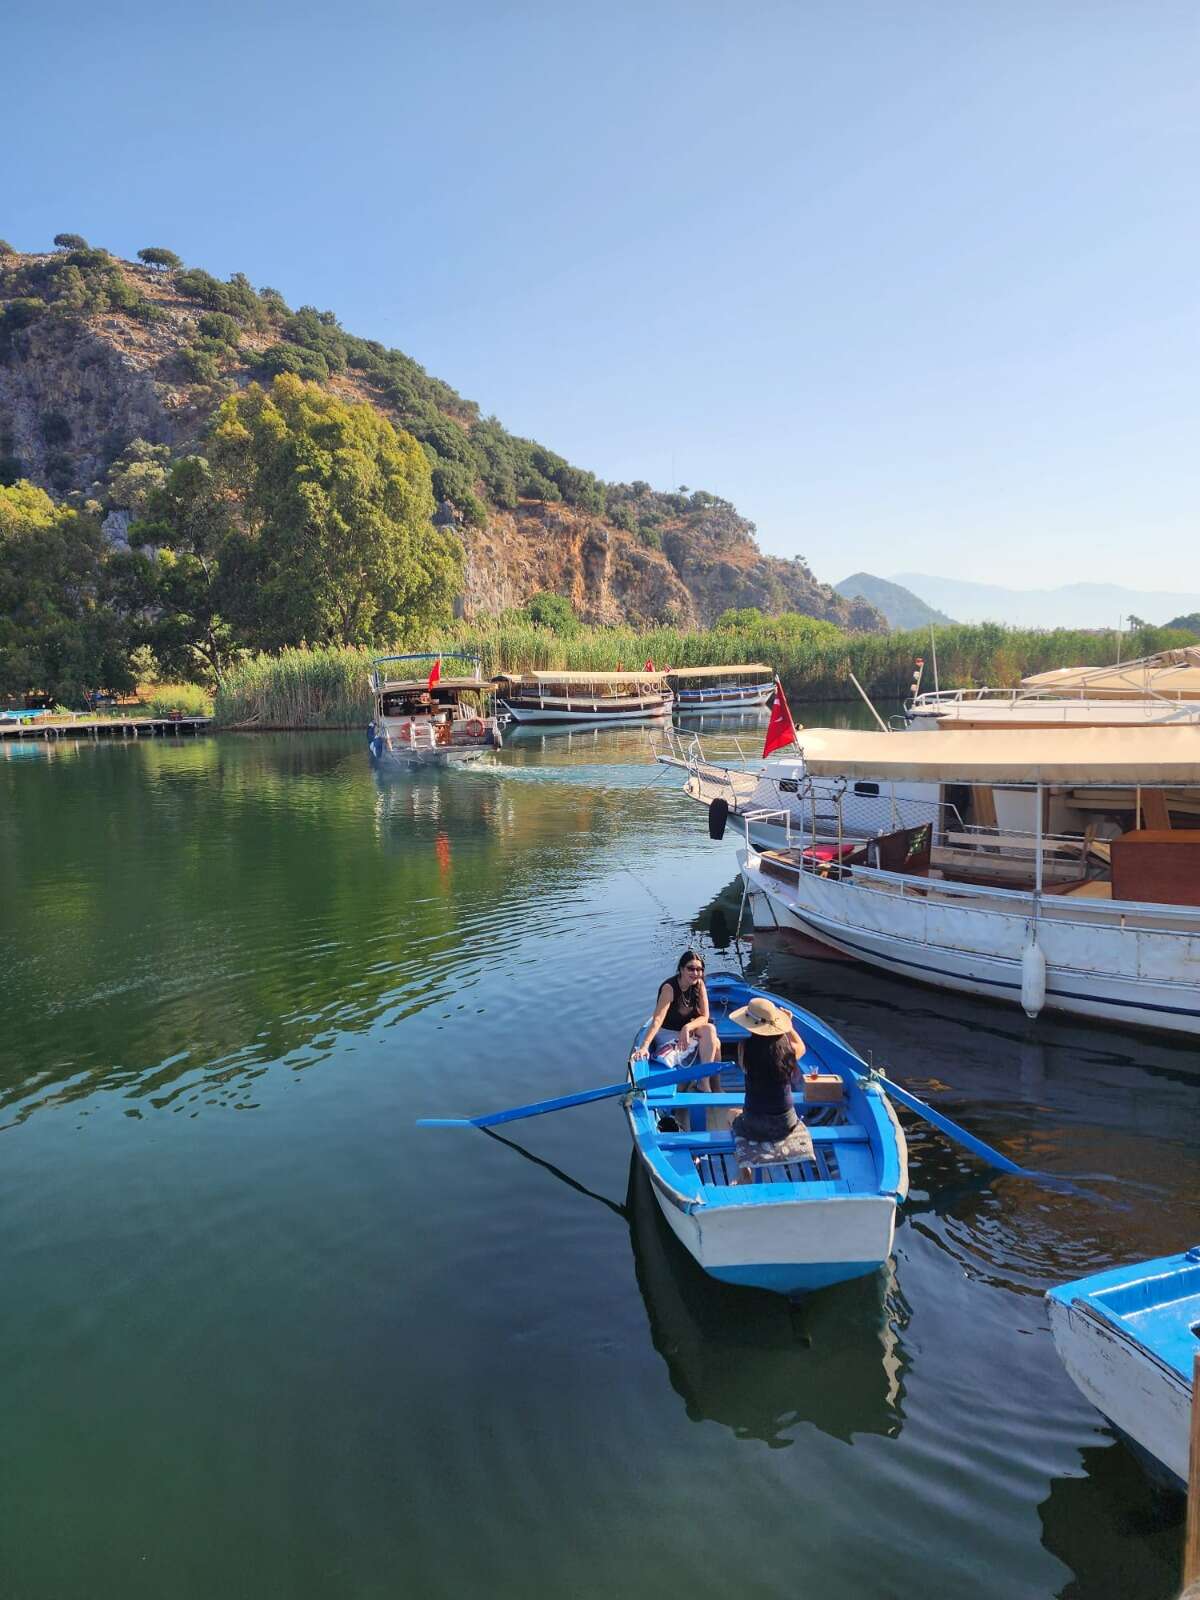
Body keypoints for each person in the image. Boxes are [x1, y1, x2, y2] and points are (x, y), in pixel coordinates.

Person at [727, 995, 814, 1179]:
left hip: (755, 1125)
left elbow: (744, 1067)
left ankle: (745, 1169)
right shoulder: (787, 1051)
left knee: (730, 1114)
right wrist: (788, 1026)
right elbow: (802, 1047)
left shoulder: (744, 1048)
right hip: (786, 1123)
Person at [632, 950, 721, 1093]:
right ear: (681, 969)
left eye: (699, 969)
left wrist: (687, 1027)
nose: (696, 973)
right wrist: (644, 1046)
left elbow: (705, 1016)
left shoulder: (699, 984)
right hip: (668, 1033)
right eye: (691, 968)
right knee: (716, 1044)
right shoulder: (669, 988)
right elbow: (657, 1020)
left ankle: (704, 1083)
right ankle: (713, 1087)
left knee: (710, 1029)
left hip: (688, 1030)